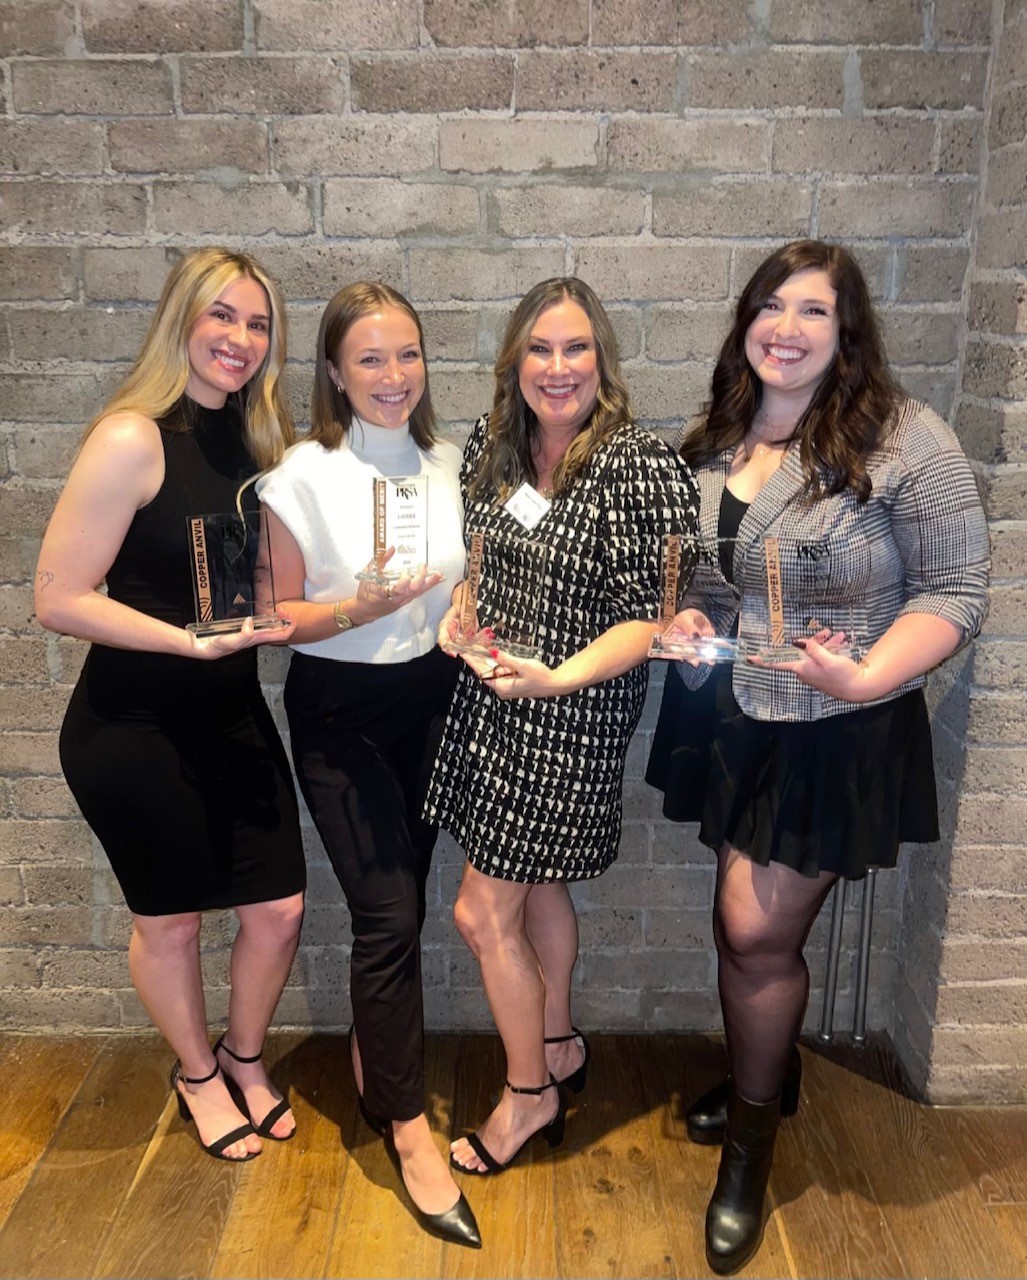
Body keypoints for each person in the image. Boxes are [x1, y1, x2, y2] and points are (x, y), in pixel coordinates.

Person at [646, 239, 990, 1274]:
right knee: (739, 923)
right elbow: (718, 579)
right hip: (734, 715)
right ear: (744, 320)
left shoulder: (901, 437)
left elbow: (956, 590)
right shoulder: (716, 435)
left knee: (752, 932)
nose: (784, 328)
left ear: (847, 331)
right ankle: (769, 1073)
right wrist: (691, 627)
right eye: (769, 306)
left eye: (812, 310)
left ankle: (751, 1144)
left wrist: (871, 672)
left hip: (839, 724)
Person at [35, 248, 307, 1163]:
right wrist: (185, 640)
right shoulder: (132, 436)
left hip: (231, 714)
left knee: (278, 911)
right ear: (181, 321)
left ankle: (243, 1055)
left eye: (258, 324)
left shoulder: (262, 438)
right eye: (222, 317)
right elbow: (57, 596)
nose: (240, 339)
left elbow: (267, 584)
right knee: (172, 922)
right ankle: (196, 1075)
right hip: (134, 728)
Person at [425, 277, 700, 1177]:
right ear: (515, 361)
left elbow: (646, 618)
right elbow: (478, 557)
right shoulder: (492, 447)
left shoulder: (636, 465)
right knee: (536, 886)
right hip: (490, 697)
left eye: (575, 348)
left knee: (479, 911)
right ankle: (557, 1043)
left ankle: (528, 1096)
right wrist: (460, 614)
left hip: (571, 714)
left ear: (601, 360)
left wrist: (557, 680)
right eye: (539, 349)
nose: (556, 367)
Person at [257, 283, 480, 1249]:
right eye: (370, 360)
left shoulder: (449, 461)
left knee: (412, 898)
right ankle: (405, 1121)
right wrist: (365, 604)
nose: (393, 377)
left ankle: (371, 1059)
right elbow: (278, 618)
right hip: (337, 713)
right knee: (386, 912)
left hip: (431, 702)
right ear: (335, 373)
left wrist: (463, 607)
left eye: (407, 355)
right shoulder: (302, 474)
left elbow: (466, 569)